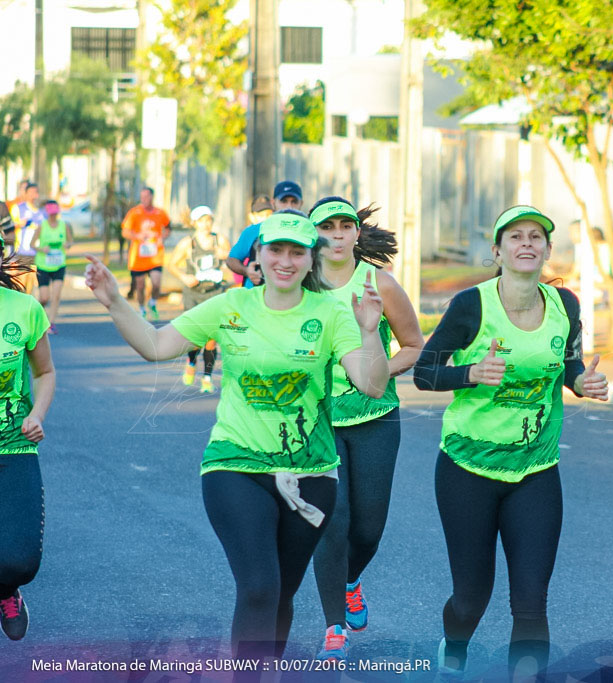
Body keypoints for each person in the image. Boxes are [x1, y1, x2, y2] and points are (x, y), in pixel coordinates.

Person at [84, 211, 389, 664]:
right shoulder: (230, 307)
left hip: (312, 473)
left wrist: (369, 333)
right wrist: (114, 301)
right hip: (235, 465)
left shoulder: (330, 314)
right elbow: (154, 345)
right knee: (260, 587)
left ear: (311, 262)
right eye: (275, 250)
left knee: (282, 592)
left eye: (296, 252)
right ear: (258, 258)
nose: (285, 261)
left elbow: (372, 384)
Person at [413, 205, 609, 679]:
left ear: (546, 249)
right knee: (471, 598)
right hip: (467, 470)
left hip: (536, 471)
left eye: (536, 237)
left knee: (530, 602)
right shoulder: (471, 305)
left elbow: (567, 363)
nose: (527, 243)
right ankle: (453, 651)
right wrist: (470, 373)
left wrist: (581, 383)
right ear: (497, 251)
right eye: (515, 237)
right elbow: (424, 372)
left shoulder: (566, 305)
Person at [307, 197, 425, 660]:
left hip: (375, 420)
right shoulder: (300, 285)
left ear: (358, 233)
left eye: (344, 226)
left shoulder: (380, 284)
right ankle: (335, 626)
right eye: (327, 227)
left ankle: (351, 579)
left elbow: (414, 346)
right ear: (314, 234)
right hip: (317, 422)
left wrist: (377, 375)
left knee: (368, 528)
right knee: (329, 525)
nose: (336, 235)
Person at [0, 234, 57, 642]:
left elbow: (45, 373)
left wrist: (37, 414)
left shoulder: (25, 309)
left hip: (14, 445)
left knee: (20, 561)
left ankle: (7, 587)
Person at [166, 205, 232, 393]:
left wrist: (225, 256)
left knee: (211, 339)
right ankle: (191, 361)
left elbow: (233, 263)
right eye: (202, 220)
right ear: (195, 223)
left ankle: (207, 377)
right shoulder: (188, 243)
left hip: (214, 294)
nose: (206, 224)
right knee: (195, 337)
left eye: (209, 220)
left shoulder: (220, 241)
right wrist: (184, 277)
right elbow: (172, 265)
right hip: (193, 294)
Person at [227, 184, 301, 288]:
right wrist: (247, 271)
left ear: (301, 203)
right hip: (255, 295)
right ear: (273, 203)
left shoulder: (308, 231)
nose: (289, 206)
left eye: (294, 201)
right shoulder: (254, 231)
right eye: (284, 201)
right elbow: (232, 259)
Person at [121, 186, 171, 320]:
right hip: (139, 256)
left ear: (152, 197)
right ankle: (142, 308)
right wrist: (138, 236)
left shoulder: (160, 213)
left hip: (155, 256)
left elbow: (168, 227)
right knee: (140, 285)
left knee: (156, 282)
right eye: (142, 197)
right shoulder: (134, 213)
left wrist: (162, 237)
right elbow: (125, 231)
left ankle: (153, 303)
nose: (144, 200)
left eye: (147, 197)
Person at [29, 200, 73, 334]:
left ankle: (51, 323)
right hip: (43, 265)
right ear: (48, 213)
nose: (54, 216)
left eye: (55, 214)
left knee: (57, 294)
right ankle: (36, 314)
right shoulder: (42, 226)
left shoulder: (64, 225)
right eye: (51, 214)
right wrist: (42, 249)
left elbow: (70, 241)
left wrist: (67, 245)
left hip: (59, 264)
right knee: (44, 297)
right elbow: (32, 244)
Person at [11, 183, 43, 294]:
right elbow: (9, 226)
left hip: (37, 253)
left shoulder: (40, 213)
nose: (34, 195)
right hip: (22, 252)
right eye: (31, 192)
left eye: (36, 192)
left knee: (31, 287)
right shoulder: (19, 208)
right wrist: (19, 224)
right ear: (26, 193)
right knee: (21, 286)